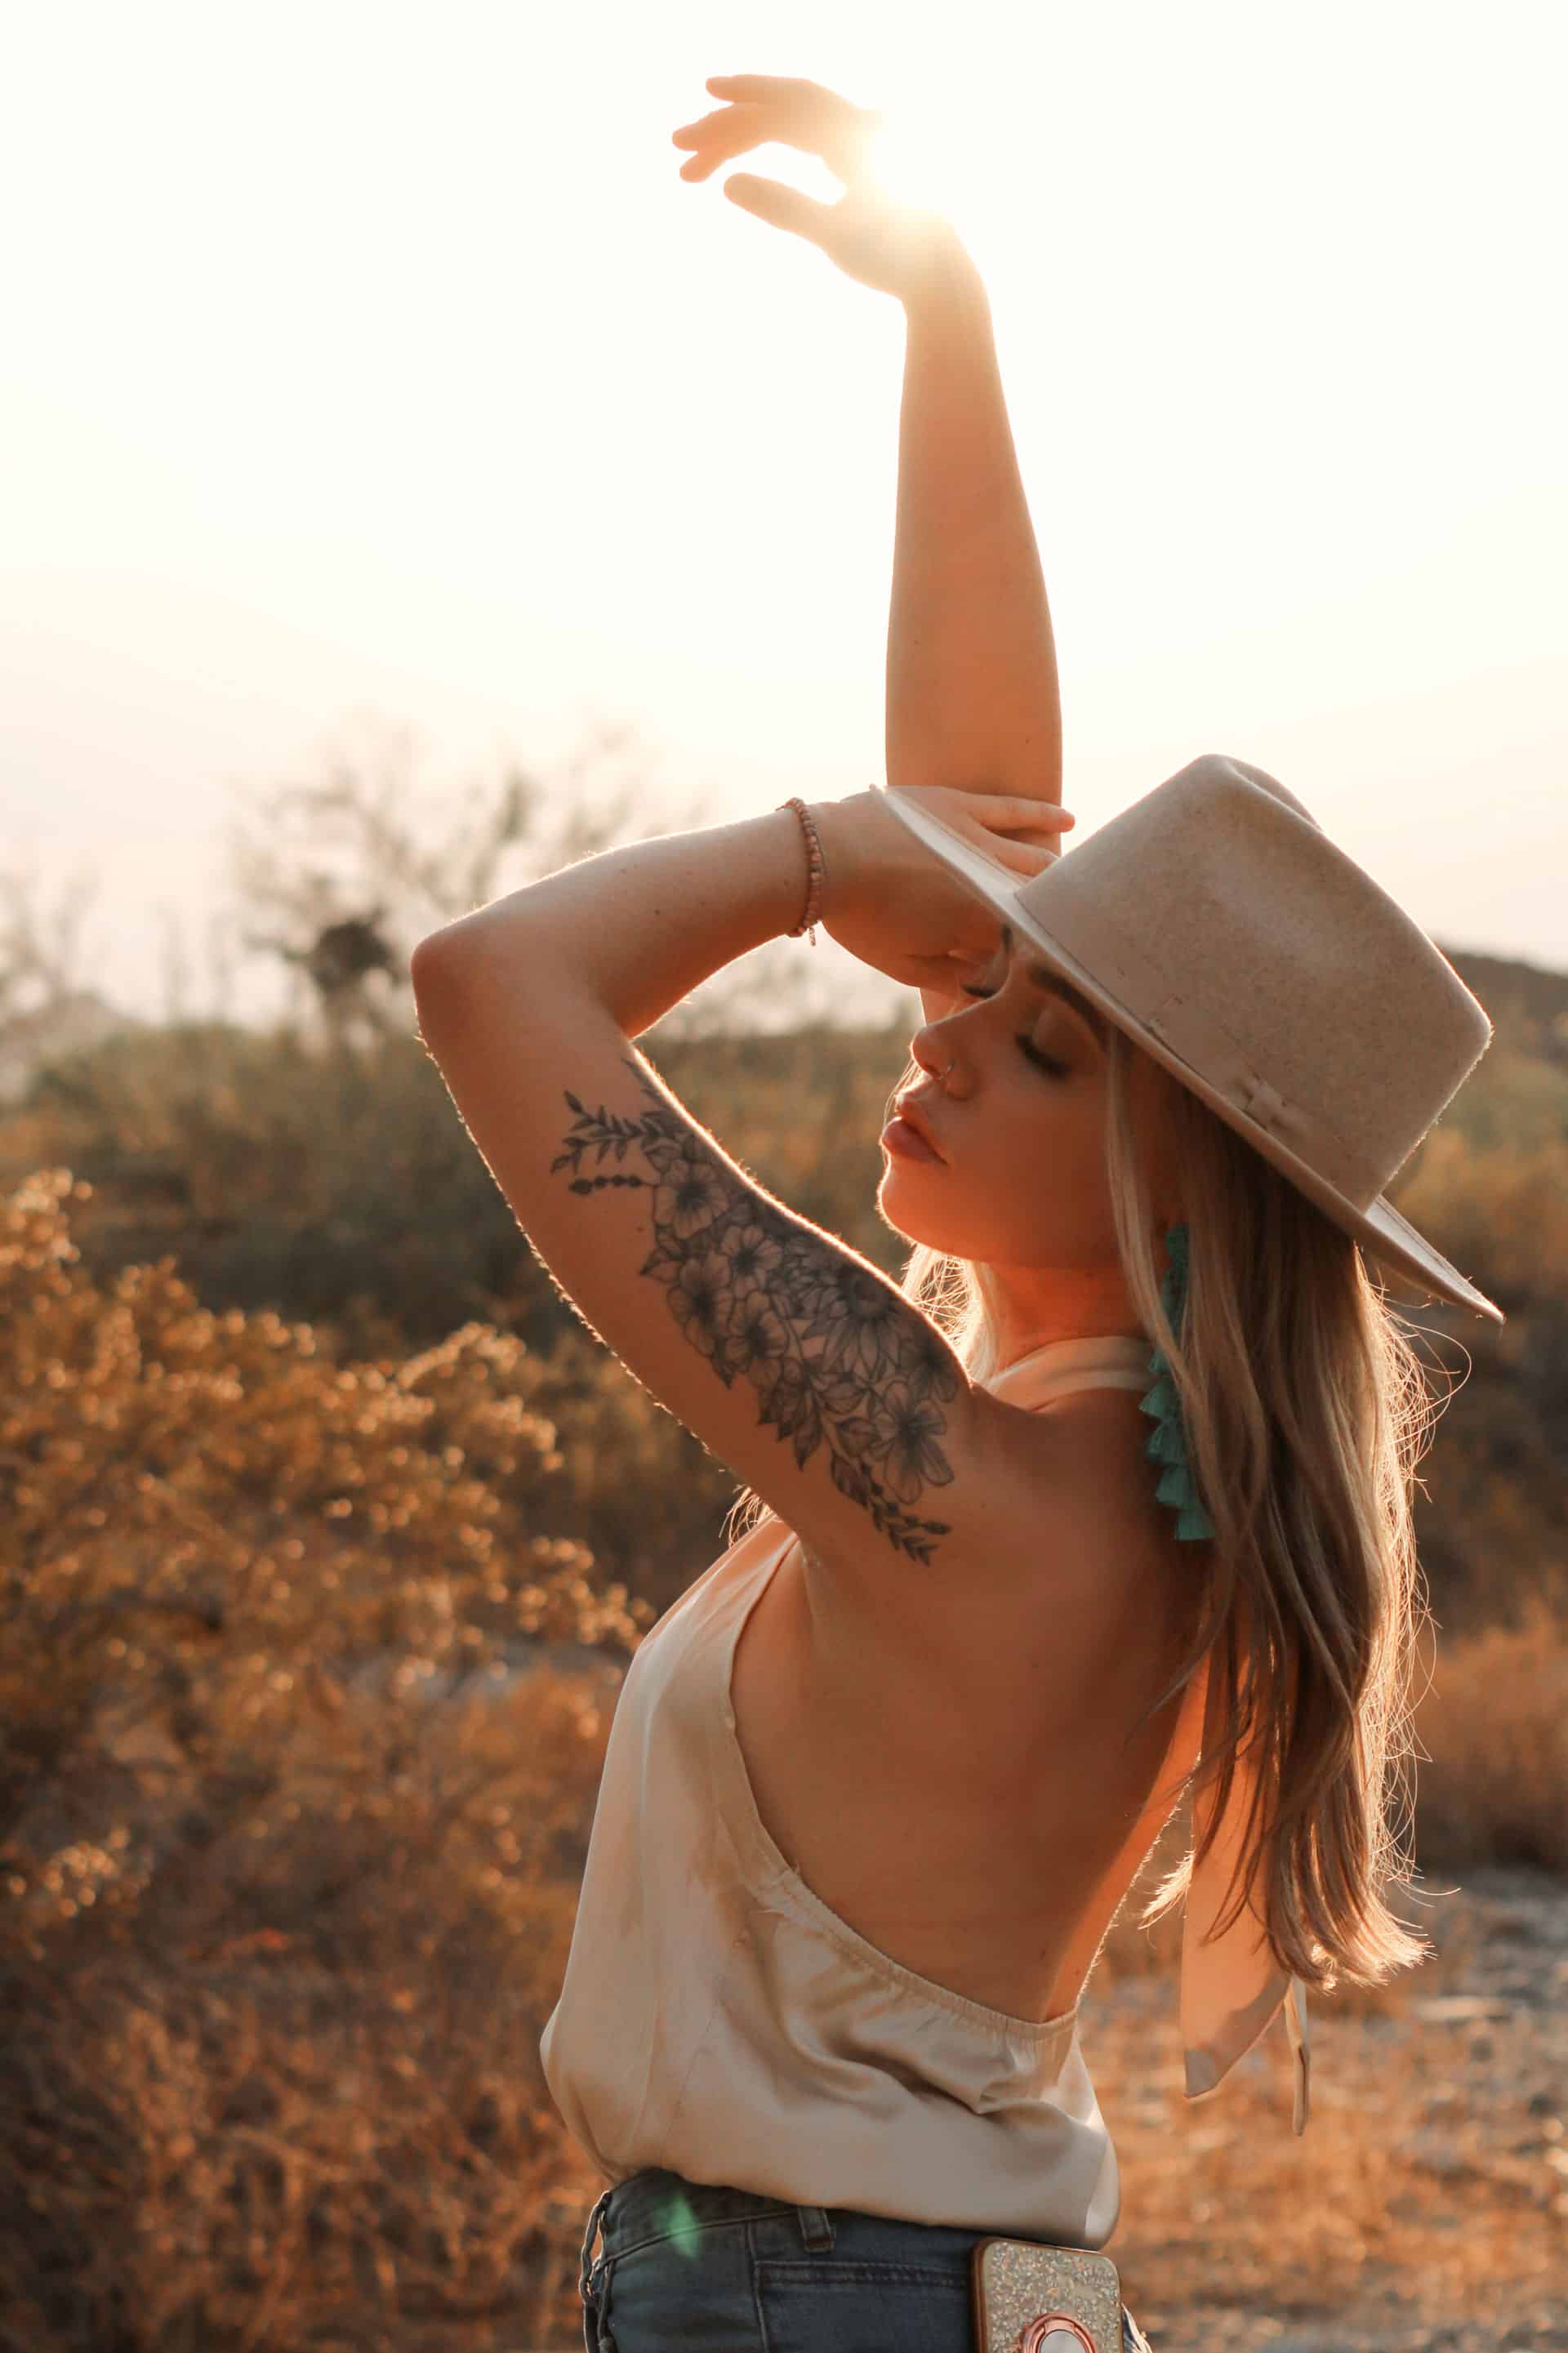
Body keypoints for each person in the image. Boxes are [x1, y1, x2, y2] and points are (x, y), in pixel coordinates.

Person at [408, 73, 1504, 2353]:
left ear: (1167, 1181)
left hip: (814, 2309)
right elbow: (985, 826)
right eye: (987, 982)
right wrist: (946, 317)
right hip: (929, 2298)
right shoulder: (1111, 1460)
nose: (948, 1023)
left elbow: (492, 981)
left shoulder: (957, 1474)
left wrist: (821, 846)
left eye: (1041, 1043)